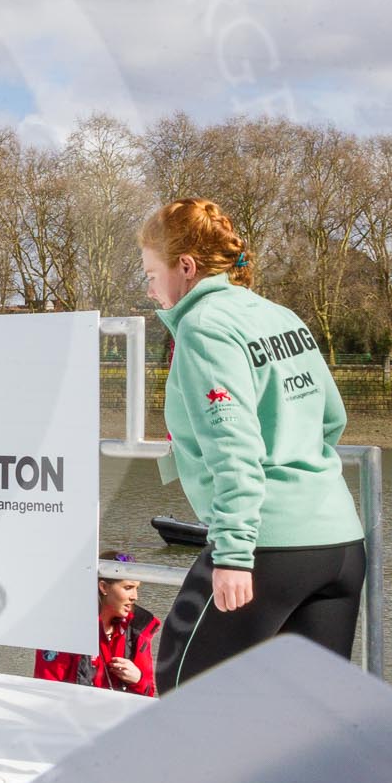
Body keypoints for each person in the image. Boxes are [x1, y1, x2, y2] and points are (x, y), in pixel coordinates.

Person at [140, 198, 366, 691]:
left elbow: (233, 446)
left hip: (268, 544)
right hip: (340, 543)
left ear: (186, 266)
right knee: (305, 716)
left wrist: (235, 553)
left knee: (182, 688)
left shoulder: (204, 328)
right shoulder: (278, 315)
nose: (151, 289)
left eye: (152, 273)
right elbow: (331, 417)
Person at [33, 554, 160, 696]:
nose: (135, 596)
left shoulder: (138, 628)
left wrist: (137, 679)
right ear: (103, 587)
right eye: (128, 587)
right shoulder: (64, 628)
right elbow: (46, 689)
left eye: (137, 588)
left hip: (120, 714)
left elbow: (148, 693)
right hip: (73, 713)